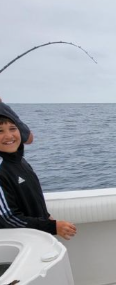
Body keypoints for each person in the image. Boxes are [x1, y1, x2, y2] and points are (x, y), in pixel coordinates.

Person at [0, 103, 77, 240]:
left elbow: (32, 198)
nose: (8, 136)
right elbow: (8, 218)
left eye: (13, 128)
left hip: (35, 237)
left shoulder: (19, 161)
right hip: (18, 244)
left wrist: (47, 218)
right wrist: (52, 226)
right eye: (0, 131)